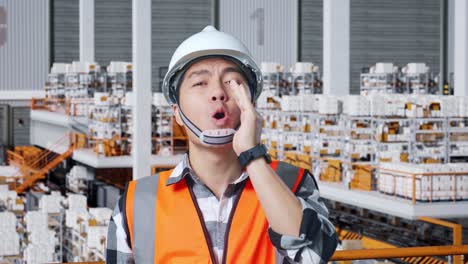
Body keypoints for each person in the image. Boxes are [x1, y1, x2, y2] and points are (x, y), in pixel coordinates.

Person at [106, 25, 338, 264]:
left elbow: (315, 255)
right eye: (200, 83)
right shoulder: (137, 202)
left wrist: (253, 156)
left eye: (232, 82)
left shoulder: (292, 183)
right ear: (177, 112)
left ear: (250, 103)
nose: (218, 92)